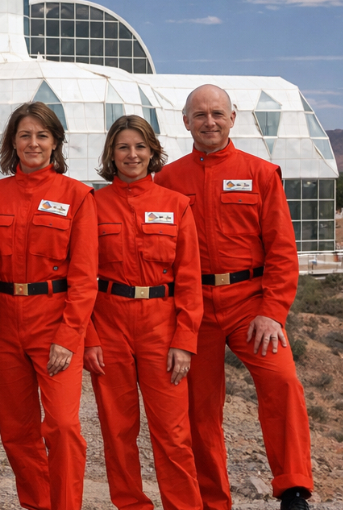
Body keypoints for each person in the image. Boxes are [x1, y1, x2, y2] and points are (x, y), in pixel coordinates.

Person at [155, 84, 311, 510]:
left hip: (251, 305)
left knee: (282, 383)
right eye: (200, 115)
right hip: (194, 309)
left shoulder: (261, 173)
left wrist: (272, 311)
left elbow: (282, 249)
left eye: (217, 114)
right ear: (186, 122)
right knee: (198, 409)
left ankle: (294, 488)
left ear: (232, 119)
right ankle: (213, 501)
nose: (210, 122)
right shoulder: (167, 180)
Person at [0, 101, 97, 510]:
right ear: (12, 141)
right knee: (16, 430)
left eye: (42, 135)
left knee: (62, 425)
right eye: (25, 135)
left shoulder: (78, 196)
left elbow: (85, 277)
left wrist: (69, 336)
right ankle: (37, 504)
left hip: (54, 323)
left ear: (55, 142)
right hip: (2, 323)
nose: (33, 143)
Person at [83, 115, 203, 510]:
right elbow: (80, 276)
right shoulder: (92, 204)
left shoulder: (176, 205)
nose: (132, 154)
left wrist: (184, 340)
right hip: (109, 324)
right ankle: (131, 504)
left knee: (173, 432)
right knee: (117, 431)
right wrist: (90, 338)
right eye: (123, 147)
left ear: (152, 152)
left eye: (140, 147)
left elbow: (189, 278)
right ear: (111, 154)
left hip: (162, 327)